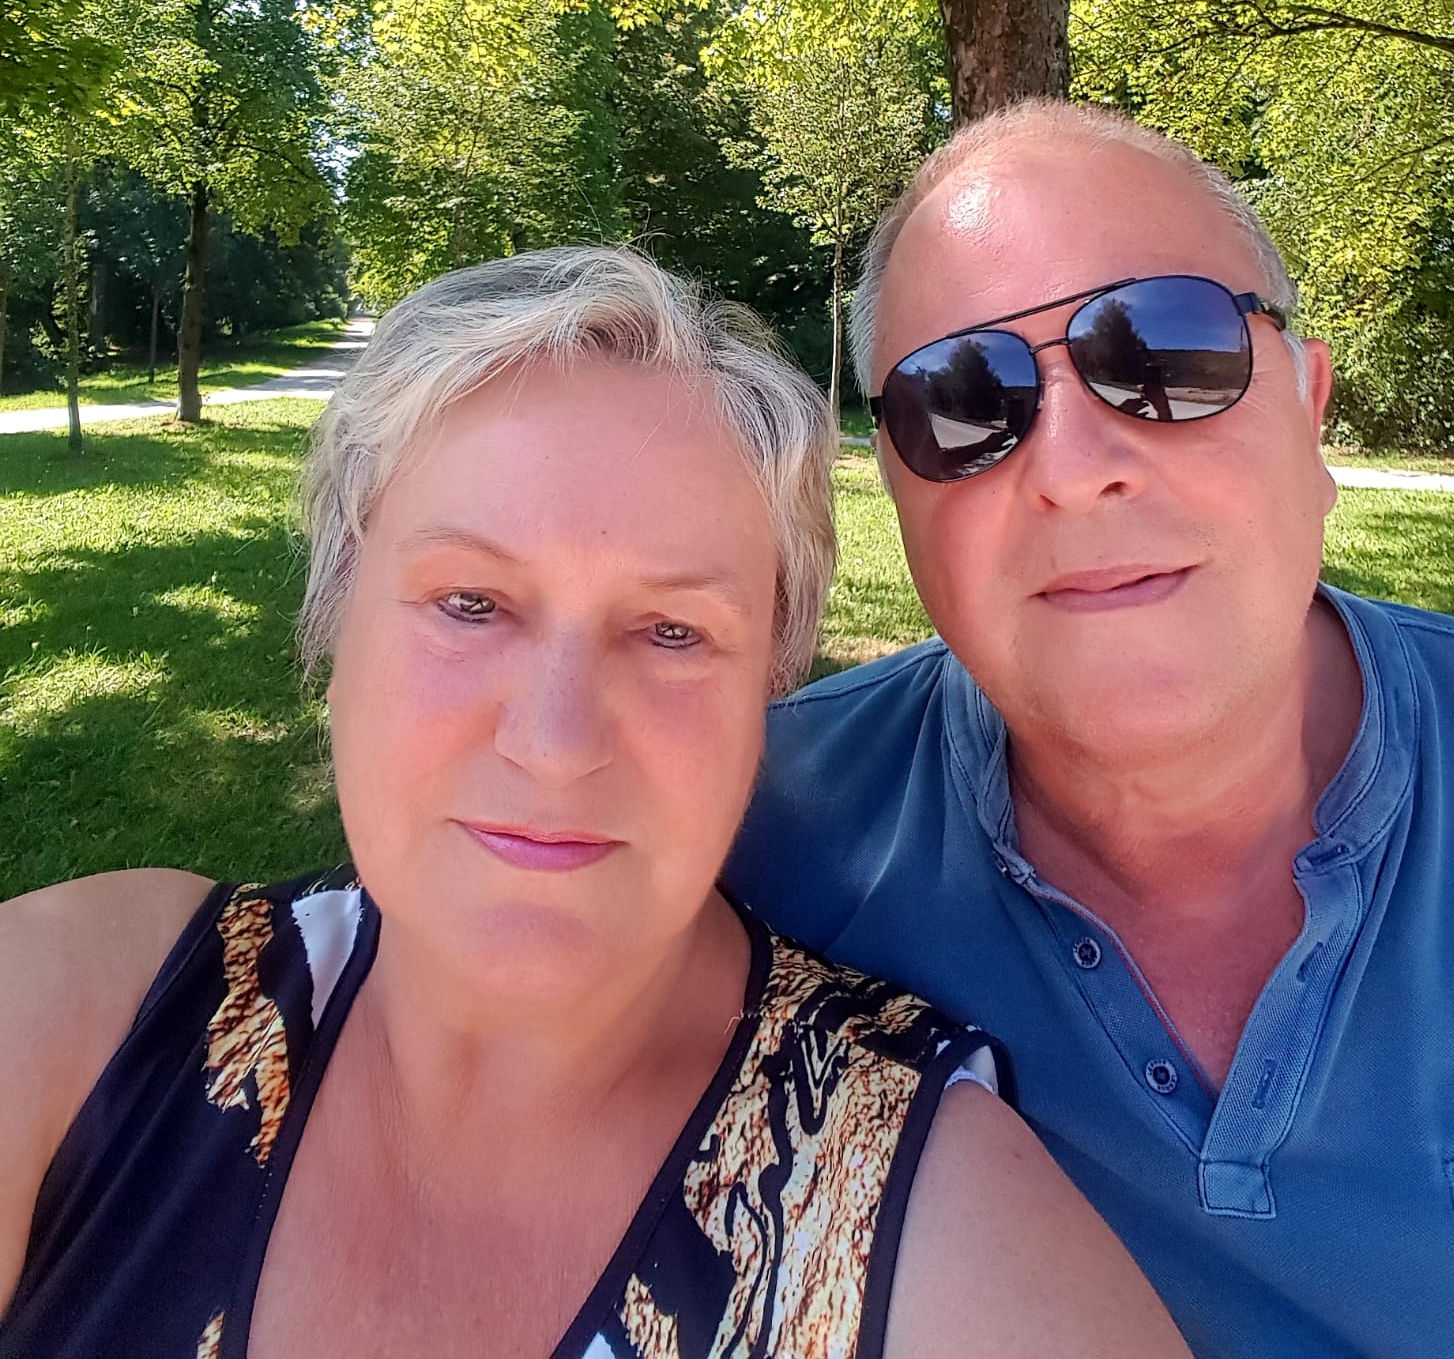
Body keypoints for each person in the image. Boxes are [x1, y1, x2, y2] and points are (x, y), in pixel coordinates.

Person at [0, 246, 1185, 1359]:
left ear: (766, 695)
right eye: (471, 602)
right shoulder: (95, 1013)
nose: (556, 742)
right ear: (334, 626)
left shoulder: (933, 1215)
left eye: (672, 630)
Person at [729, 102, 1454, 1359]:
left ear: (1311, 406)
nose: (1072, 466)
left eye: (1167, 349)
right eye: (962, 399)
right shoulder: (748, 831)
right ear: (896, 487)